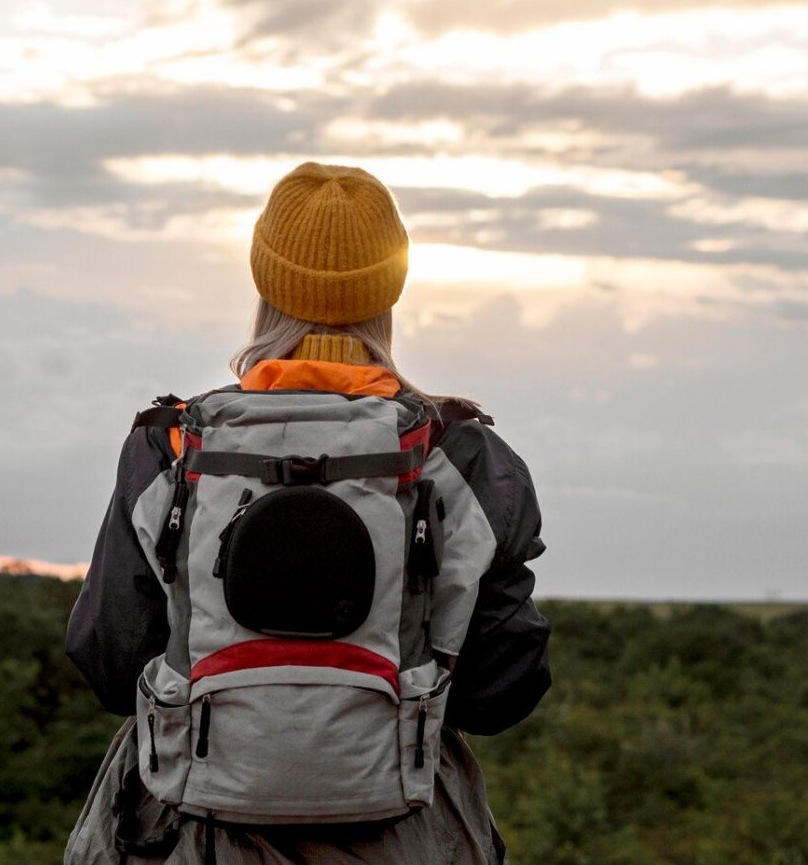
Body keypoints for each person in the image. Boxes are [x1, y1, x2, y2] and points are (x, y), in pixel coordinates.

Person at [65, 162, 551, 865]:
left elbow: (109, 663)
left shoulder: (171, 445)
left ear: (266, 280)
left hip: (186, 831)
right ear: (390, 287)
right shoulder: (464, 456)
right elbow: (502, 691)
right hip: (405, 833)